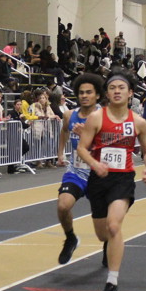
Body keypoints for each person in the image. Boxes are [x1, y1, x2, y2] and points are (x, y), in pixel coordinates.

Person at [75, 70, 146, 291]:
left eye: (121, 88)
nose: (117, 91)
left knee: (113, 225)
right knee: (103, 234)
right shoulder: (96, 118)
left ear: (130, 93)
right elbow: (82, 148)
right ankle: (109, 246)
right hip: (99, 180)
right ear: (106, 93)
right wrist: (95, 164)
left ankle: (111, 283)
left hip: (123, 179)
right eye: (112, 88)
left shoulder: (138, 122)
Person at [56, 73, 103, 264]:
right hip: (76, 170)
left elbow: (110, 146)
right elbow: (64, 131)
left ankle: (109, 245)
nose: (84, 96)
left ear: (97, 95)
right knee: (63, 205)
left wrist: (87, 135)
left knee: (104, 225)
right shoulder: (69, 115)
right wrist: (60, 153)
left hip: (99, 173)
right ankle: (70, 238)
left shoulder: (104, 117)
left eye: (89, 92)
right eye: (81, 92)